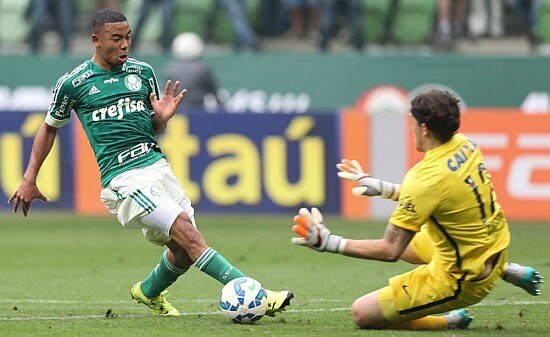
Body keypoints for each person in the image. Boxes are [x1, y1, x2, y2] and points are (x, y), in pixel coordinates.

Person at [8, 8, 292, 317]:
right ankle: (259, 295)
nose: (125, 44)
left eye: (128, 37)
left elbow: (153, 127)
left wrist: (161, 118)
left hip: (158, 167)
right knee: (190, 234)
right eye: (116, 38)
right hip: (124, 179)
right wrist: (29, 177)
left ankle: (148, 291)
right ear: (96, 40)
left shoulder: (142, 73)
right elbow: (49, 127)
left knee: (183, 251)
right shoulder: (74, 83)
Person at [291, 90, 543, 330]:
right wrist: (383, 187)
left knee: (363, 313)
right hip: (493, 246)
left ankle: (449, 321)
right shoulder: (465, 145)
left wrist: (329, 242)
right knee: (411, 251)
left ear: (424, 127)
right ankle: (505, 268)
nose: (409, 127)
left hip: (463, 278)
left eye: (411, 122)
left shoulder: (425, 177)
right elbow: (441, 195)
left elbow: (389, 250)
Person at [166, 32, 221, 110]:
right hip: (198, 110)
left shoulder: (172, 68)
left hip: (176, 111)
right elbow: (213, 91)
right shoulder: (202, 68)